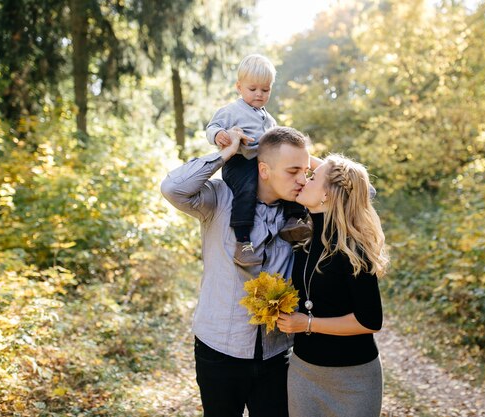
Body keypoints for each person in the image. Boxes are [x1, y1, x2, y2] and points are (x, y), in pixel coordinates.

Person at [161, 126, 316, 417]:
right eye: (293, 170)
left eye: (305, 171)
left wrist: (305, 160)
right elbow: (173, 188)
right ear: (264, 169)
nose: (301, 179)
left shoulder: (302, 210)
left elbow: (361, 192)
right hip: (219, 349)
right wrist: (226, 153)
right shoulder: (220, 198)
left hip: (277, 352)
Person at [276, 154, 389, 417]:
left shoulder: (353, 249)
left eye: (312, 177)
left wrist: (307, 324)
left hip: (354, 379)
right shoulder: (303, 239)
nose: (304, 179)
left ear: (327, 194)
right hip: (303, 372)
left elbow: (370, 320)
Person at [206, 54, 310, 267]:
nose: (259, 95)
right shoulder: (231, 111)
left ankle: (294, 220)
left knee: (284, 179)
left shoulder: (269, 119)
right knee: (247, 189)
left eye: (265, 90)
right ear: (239, 87)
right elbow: (212, 127)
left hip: (262, 162)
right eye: (253, 89)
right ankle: (243, 242)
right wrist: (219, 136)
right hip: (240, 162)